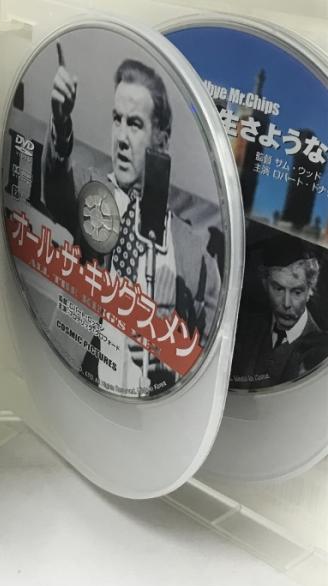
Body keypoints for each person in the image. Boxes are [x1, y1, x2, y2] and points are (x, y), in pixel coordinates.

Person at [42, 46, 221, 394]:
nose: (121, 138)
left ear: (161, 139)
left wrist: (170, 349)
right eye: (117, 120)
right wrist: (61, 124)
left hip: (151, 405)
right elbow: (55, 187)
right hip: (75, 384)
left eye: (135, 124)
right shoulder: (89, 191)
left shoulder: (193, 252)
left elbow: (205, 354)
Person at [231, 236, 328, 388]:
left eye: (297, 292)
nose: (286, 304)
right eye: (278, 289)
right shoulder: (244, 330)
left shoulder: (321, 350)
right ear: (265, 283)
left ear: (310, 290)